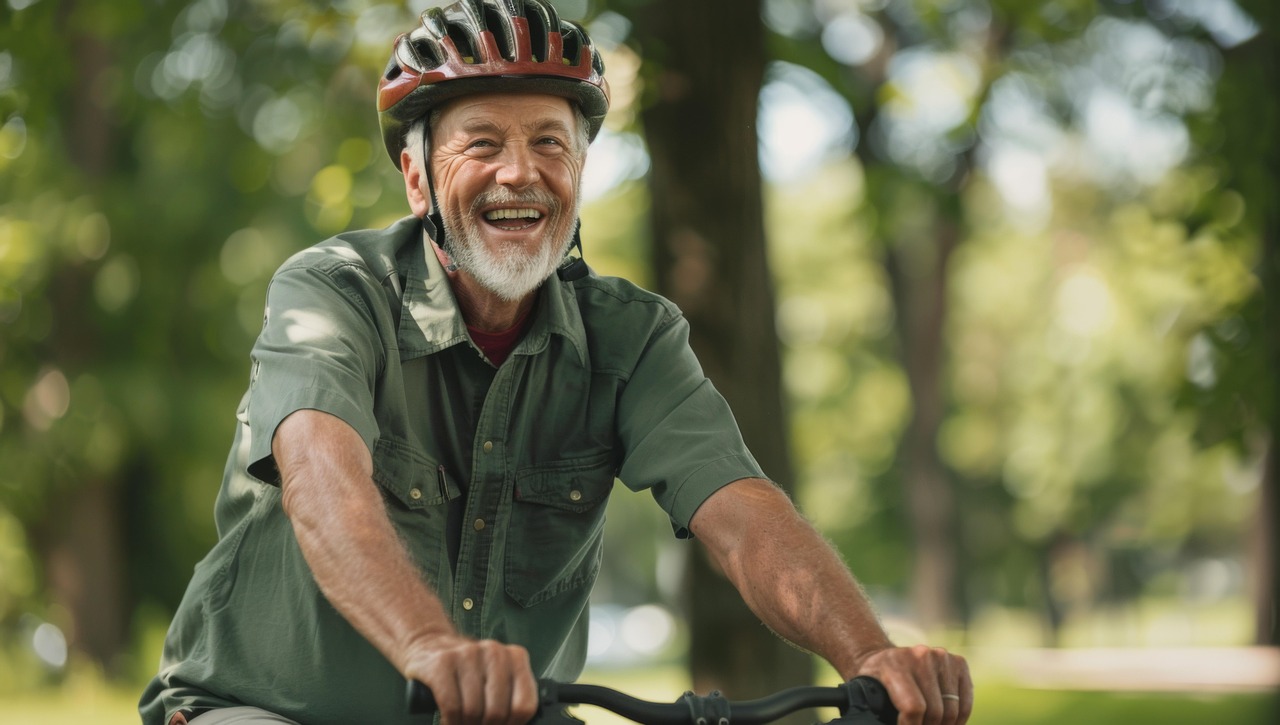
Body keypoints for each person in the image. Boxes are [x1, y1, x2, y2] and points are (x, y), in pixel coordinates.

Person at [140, 2, 973, 724]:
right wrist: (431, 646)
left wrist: (871, 656)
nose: (520, 172)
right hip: (261, 708)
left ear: (578, 171)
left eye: (550, 141)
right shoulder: (334, 293)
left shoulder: (633, 338)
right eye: (481, 143)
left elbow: (742, 512)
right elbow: (323, 479)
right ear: (417, 178)